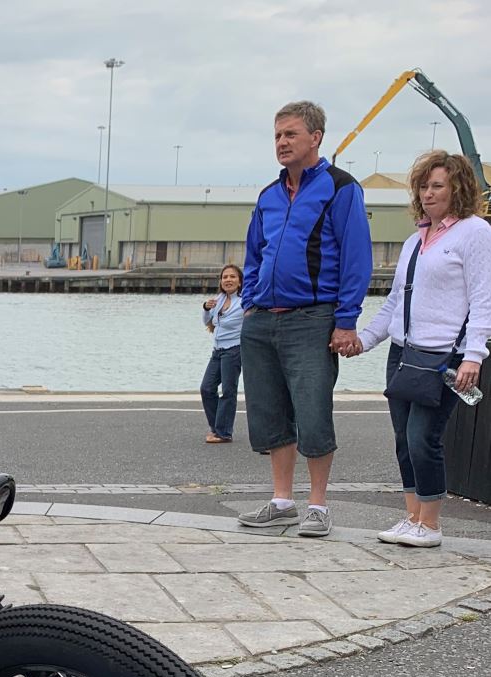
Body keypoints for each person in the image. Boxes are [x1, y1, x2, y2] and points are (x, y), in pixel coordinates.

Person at [237, 100, 372, 538]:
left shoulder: (341, 188)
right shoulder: (268, 196)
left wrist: (346, 320)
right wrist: (251, 301)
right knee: (269, 413)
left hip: (313, 319)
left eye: (290, 134)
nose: (281, 143)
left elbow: (356, 259)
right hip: (263, 320)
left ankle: (318, 505)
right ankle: (282, 502)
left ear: (316, 137)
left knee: (313, 413)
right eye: (277, 135)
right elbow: (253, 253)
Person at [353, 151, 491, 548]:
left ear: (458, 188)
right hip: (402, 353)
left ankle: (430, 524)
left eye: (437, 186)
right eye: (423, 186)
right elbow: (397, 300)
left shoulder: (474, 232)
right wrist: (366, 339)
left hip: (444, 355)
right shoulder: (416, 239)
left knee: (422, 438)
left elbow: (483, 298)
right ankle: (412, 516)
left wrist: (473, 355)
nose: (428, 194)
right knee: (402, 439)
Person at [200, 263, 244, 444]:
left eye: (233, 277)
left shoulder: (244, 301)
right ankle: (216, 426)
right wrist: (205, 308)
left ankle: (223, 432)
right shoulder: (218, 300)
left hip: (234, 350)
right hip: (217, 350)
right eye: (225, 277)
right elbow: (208, 322)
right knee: (207, 388)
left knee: (228, 391)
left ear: (240, 282)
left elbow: (232, 322)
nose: (228, 280)